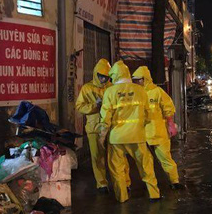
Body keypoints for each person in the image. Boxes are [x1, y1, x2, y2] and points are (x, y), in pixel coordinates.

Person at [100, 61, 160, 203]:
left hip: (117, 138)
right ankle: (154, 194)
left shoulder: (110, 92)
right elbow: (148, 114)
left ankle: (122, 198)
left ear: (113, 76)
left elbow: (105, 118)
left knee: (117, 169)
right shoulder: (141, 90)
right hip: (137, 136)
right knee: (146, 166)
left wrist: (101, 137)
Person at [132, 66, 184, 190]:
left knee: (165, 158)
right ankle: (150, 185)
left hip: (159, 132)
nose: (137, 82)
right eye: (135, 80)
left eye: (139, 80)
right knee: (145, 161)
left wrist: (171, 125)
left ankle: (174, 181)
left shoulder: (157, 91)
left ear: (145, 79)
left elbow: (168, 108)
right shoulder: (134, 92)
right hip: (142, 133)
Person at [75, 58, 112, 193]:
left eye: (105, 76)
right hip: (94, 128)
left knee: (114, 156)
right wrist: (95, 106)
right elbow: (79, 106)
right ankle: (102, 183)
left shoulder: (112, 88)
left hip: (110, 127)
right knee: (97, 157)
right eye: (101, 76)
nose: (103, 79)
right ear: (96, 74)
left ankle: (121, 182)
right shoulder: (87, 88)